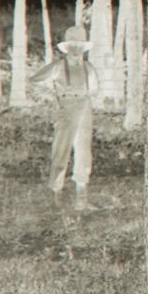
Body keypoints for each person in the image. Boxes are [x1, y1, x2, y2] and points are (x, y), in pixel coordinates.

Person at [33, 22, 96, 204]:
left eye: (80, 46)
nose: (76, 50)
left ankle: (81, 197)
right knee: (62, 148)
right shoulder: (58, 66)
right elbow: (35, 79)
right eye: (73, 46)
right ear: (67, 48)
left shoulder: (88, 68)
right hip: (66, 107)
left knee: (84, 149)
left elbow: (94, 89)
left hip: (85, 107)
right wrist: (51, 94)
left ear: (84, 48)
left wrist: (86, 97)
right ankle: (56, 195)